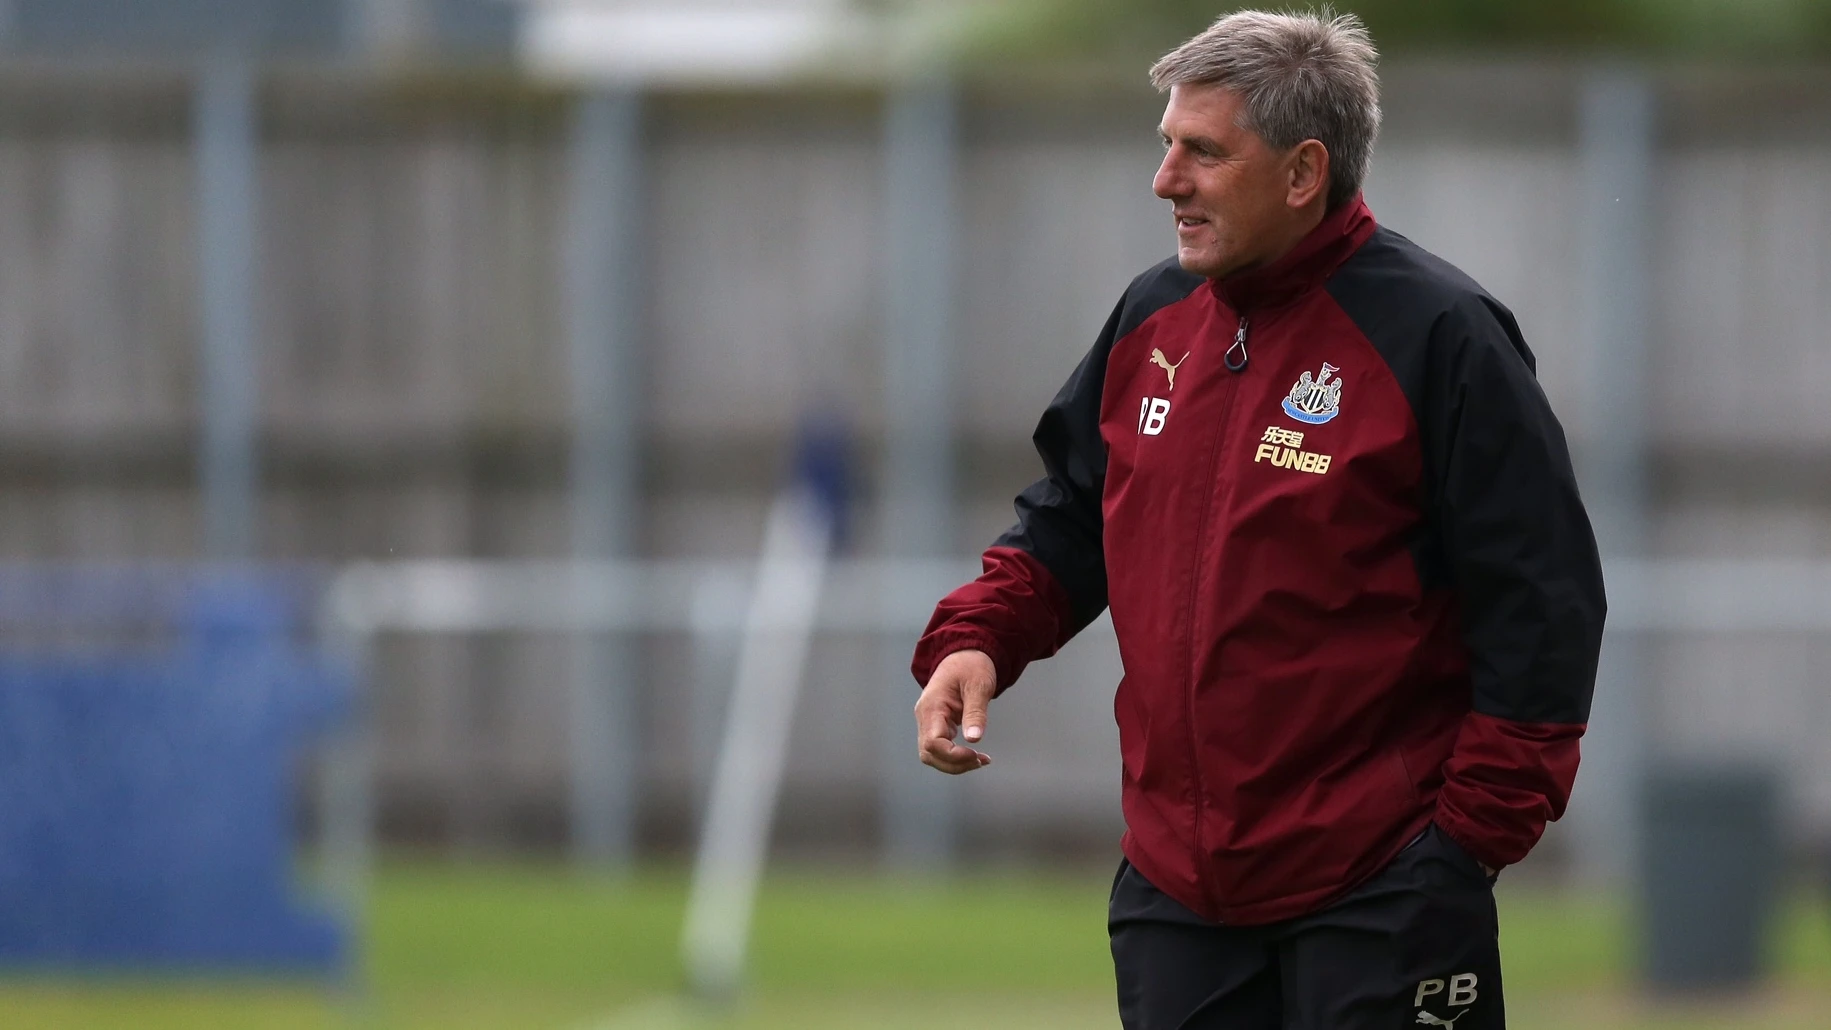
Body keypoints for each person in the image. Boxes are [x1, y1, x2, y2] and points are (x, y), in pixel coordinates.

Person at [908, 10, 1606, 1029]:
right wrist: (978, 637)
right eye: (1166, 147)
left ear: (1301, 171)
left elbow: (1540, 604)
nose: (1166, 181)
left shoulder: (1439, 336)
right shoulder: (1151, 320)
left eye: (1202, 152)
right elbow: (1070, 516)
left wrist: (1459, 846)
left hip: (1380, 887)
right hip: (1176, 894)